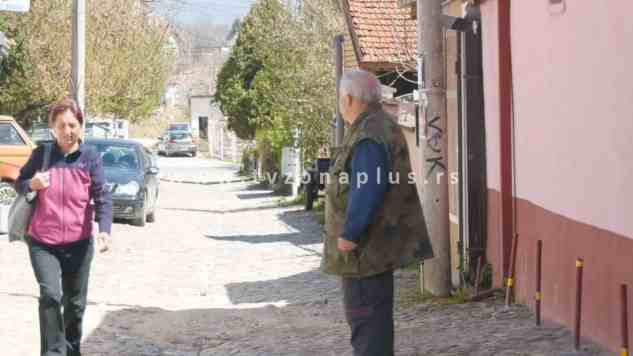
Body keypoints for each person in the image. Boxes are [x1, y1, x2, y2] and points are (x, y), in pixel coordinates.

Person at [321, 69, 434, 356]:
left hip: (365, 253)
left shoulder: (368, 134)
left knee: (367, 325)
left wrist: (350, 234)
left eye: (339, 99)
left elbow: (367, 186)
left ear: (348, 98)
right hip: (376, 248)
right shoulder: (379, 124)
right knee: (374, 323)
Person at [16, 98, 113, 356]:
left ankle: (72, 351)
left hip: (79, 244)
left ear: (81, 126)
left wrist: (104, 229)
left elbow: (102, 196)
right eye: (61, 126)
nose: (67, 131)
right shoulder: (42, 154)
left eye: (72, 125)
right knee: (50, 296)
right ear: (53, 127)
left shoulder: (90, 158)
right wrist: (31, 184)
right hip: (42, 242)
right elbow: (20, 182)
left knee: (75, 304)